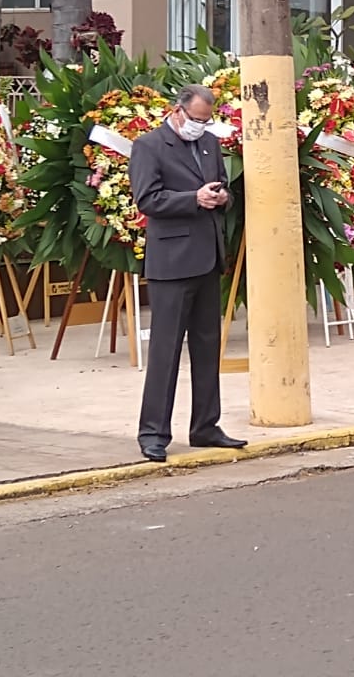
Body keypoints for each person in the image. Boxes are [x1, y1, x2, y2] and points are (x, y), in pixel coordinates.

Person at [129, 84, 246, 462]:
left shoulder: (210, 144)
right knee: (165, 351)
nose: (201, 125)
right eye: (196, 119)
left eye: (206, 120)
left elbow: (222, 190)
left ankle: (206, 426)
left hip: (208, 258)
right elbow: (147, 198)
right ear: (176, 111)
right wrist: (192, 199)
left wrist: (222, 197)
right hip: (172, 262)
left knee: (208, 346)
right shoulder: (149, 145)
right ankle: (153, 433)